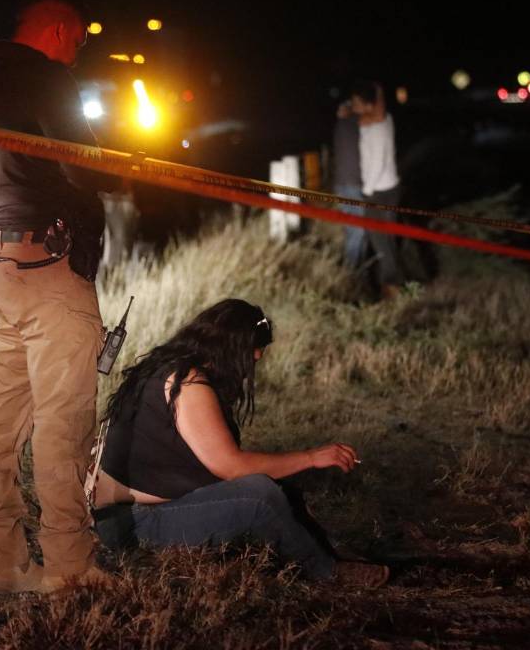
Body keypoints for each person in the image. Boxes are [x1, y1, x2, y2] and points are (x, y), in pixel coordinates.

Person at [0, 0, 115, 594]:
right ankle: (69, 566)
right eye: (75, 41)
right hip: (49, 271)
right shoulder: (48, 79)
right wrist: (127, 169)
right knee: (62, 419)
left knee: (1, 421)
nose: (76, 53)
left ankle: (2, 563)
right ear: (55, 31)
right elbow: (84, 163)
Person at [89, 299, 390, 587]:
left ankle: (329, 554)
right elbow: (232, 466)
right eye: (250, 356)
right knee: (259, 495)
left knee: (282, 491)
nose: (251, 367)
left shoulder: (172, 367)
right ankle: (328, 573)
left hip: (133, 514)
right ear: (230, 349)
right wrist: (311, 457)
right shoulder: (187, 384)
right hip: (132, 524)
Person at [350, 80, 405, 298]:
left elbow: (377, 162)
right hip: (388, 187)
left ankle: (392, 284)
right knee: (386, 237)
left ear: (370, 105)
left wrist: (367, 191)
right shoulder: (382, 119)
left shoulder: (377, 125)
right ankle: (394, 284)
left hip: (379, 190)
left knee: (380, 239)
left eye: (357, 103)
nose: (354, 106)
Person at [332, 98, 367, 270]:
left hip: (343, 184)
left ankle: (353, 269)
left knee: (353, 229)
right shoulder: (356, 123)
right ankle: (352, 270)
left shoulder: (342, 124)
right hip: (352, 185)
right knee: (359, 229)